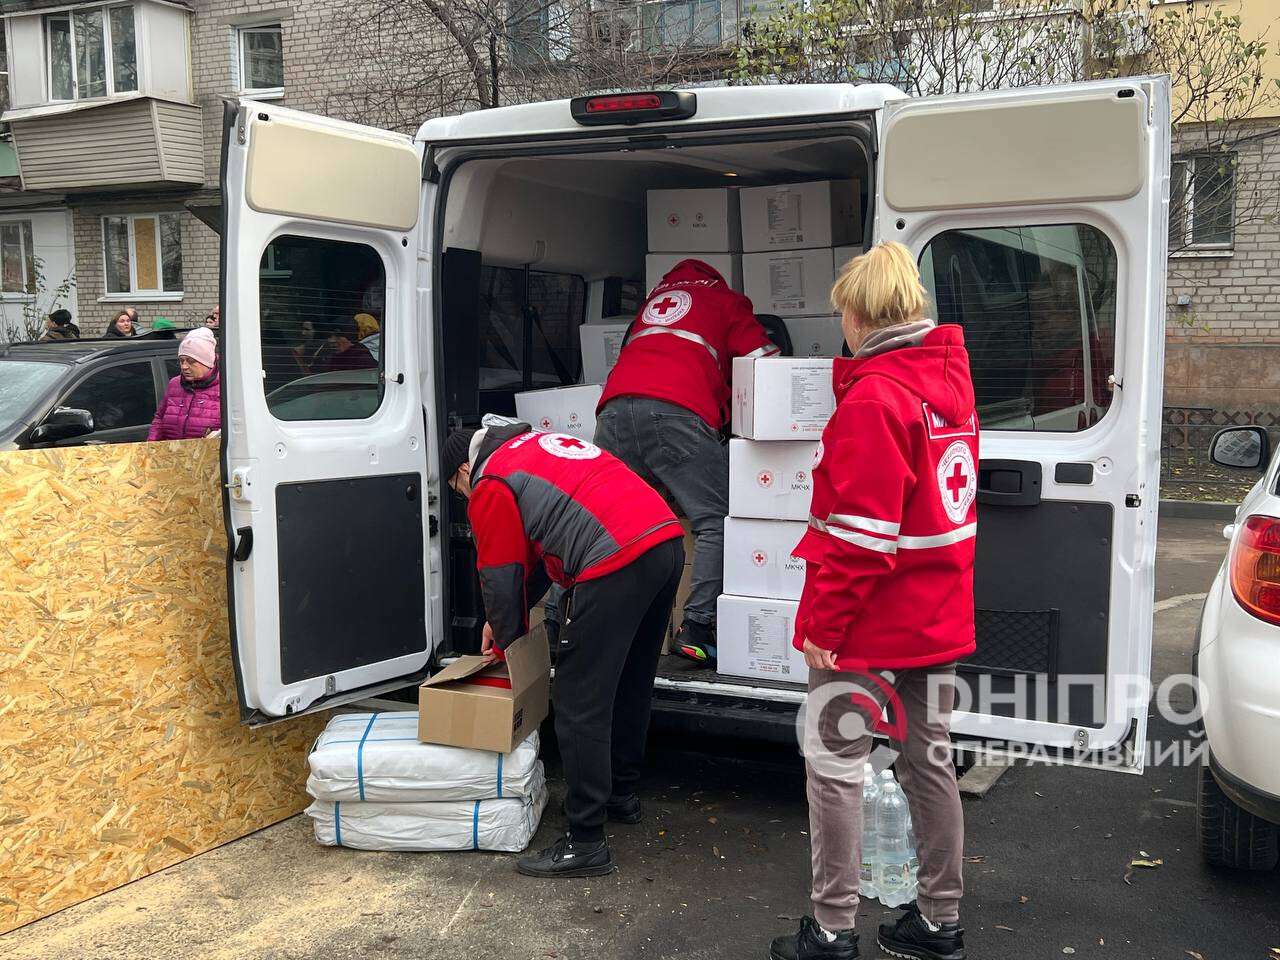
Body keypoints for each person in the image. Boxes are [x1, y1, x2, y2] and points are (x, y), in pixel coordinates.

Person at [768, 242, 977, 960]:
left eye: (841, 316)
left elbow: (858, 539)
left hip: (867, 623)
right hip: (938, 615)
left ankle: (831, 931)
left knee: (833, 769)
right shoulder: (948, 385)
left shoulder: (874, 398)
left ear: (858, 314)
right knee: (930, 763)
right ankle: (940, 921)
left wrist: (825, 625)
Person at [442, 420, 684, 879]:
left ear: (461, 471)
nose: (463, 497)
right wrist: (505, 618)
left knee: (577, 700)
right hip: (663, 541)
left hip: (614, 557)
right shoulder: (529, 449)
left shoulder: (490, 481)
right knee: (629, 682)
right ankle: (620, 796)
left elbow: (500, 572)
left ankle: (586, 840)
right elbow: (531, 553)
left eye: (457, 489)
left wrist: (506, 646)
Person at [593, 258, 778, 667]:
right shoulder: (725, 301)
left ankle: (561, 620)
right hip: (677, 411)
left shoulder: (651, 305)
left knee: (598, 520)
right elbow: (767, 362)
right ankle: (697, 627)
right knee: (716, 518)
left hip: (614, 410)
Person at [148, 327, 221, 441]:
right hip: (173, 455)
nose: (184, 366)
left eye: (191, 361)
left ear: (207, 362)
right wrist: (151, 447)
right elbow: (159, 419)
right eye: (181, 361)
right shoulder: (174, 384)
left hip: (206, 457)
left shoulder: (226, 387)